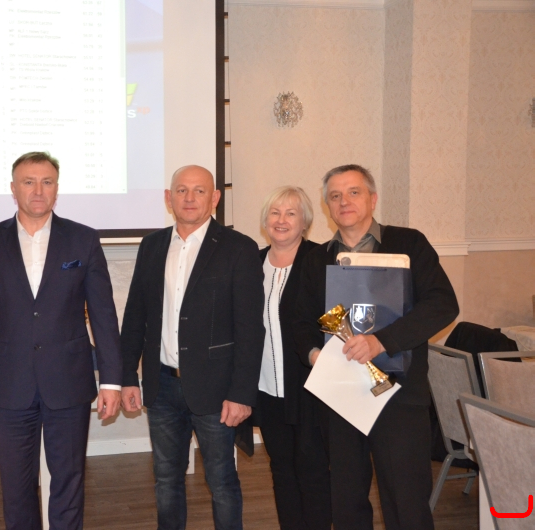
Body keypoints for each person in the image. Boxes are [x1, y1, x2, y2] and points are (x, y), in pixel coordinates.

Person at [293, 164, 459, 530]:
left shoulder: (409, 244)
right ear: (327, 206)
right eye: (335, 196)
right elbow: (302, 322)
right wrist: (317, 355)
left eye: (353, 192)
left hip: (400, 395)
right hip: (341, 396)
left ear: (373, 198)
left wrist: (380, 341)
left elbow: (443, 304)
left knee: (406, 501)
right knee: (346, 500)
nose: (344, 201)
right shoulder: (316, 259)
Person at [0, 151, 122, 530]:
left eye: (47, 182)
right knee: (16, 487)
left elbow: (103, 314)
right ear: (13, 188)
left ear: (56, 189)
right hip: (11, 384)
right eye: (29, 182)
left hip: (69, 383)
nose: (38, 190)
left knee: (69, 482)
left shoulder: (83, 239)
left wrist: (112, 381)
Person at [120, 165, 265, 530]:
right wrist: (127, 377)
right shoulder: (152, 246)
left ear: (214, 198)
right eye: (181, 190)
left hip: (217, 391)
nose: (189, 198)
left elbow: (251, 330)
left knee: (222, 482)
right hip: (162, 387)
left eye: (199, 191)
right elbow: (136, 316)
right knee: (166, 480)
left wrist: (241, 394)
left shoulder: (239, 248)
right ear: (168, 198)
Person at [253, 186, 331, 530]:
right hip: (266, 389)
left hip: (308, 387)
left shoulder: (321, 260)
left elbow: (334, 318)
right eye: (275, 212)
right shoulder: (252, 263)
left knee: (312, 471)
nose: (281, 220)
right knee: (281, 469)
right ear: (265, 220)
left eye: (290, 213)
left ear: (305, 222)